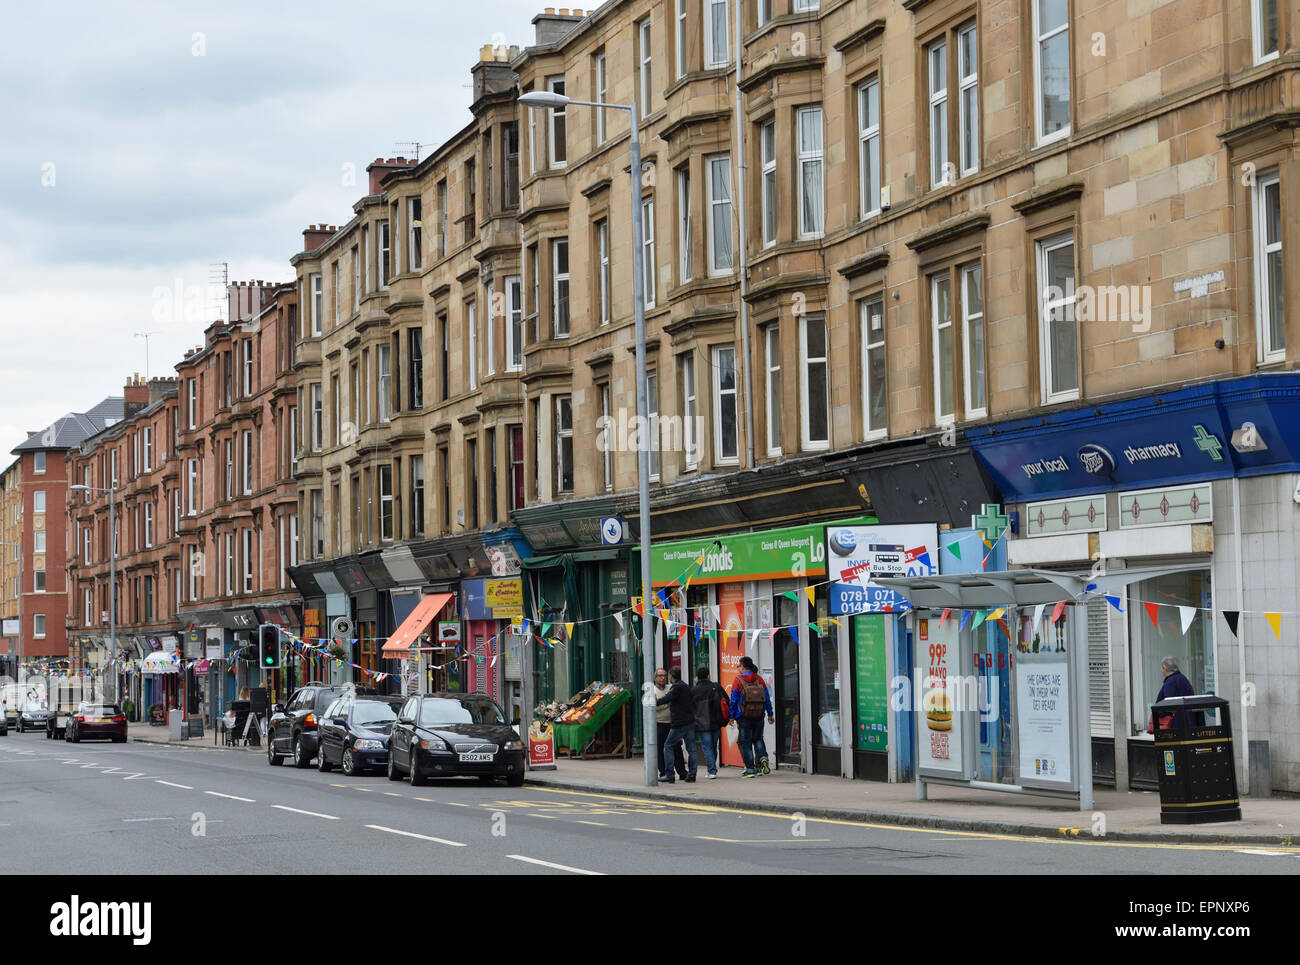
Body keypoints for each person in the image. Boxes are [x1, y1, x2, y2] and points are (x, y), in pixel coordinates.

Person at [729, 656, 774, 777]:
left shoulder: (738, 680)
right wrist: (770, 714)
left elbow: (733, 700)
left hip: (743, 716)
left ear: (743, 667)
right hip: (759, 715)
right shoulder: (759, 679)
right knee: (758, 739)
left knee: (746, 742)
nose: (738, 668)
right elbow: (766, 698)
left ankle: (750, 769)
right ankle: (763, 759)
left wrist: (731, 716)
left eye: (739, 666)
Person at [656, 666, 698, 783]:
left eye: (667, 675)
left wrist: (655, 702)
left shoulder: (677, 687)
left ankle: (669, 774)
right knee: (692, 749)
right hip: (689, 721)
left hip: (679, 723)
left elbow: (667, 698)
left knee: (668, 746)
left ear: (671, 677)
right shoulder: (685, 686)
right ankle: (692, 774)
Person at [691, 666, 727, 779]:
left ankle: (711, 771)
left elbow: (690, 707)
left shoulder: (693, 690)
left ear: (697, 677)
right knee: (713, 746)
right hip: (716, 721)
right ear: (708, 676)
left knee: (707, 747)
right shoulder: (716, 687)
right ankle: (712, 769)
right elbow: (726, 700)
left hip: (702, 723)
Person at [1151, 656, 1204, 730]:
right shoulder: (1183, 678)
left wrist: (1160, 713)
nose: (1161, 670)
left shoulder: (1170, 682)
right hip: (1189, 720)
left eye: (1161, 668)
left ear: (1165, 668)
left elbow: (1169, 704)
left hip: (1177, 724)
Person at [653, 669, 687, 782]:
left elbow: (675, 702)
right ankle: (664, 772)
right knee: (662, 749)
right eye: (660, 676)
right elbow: (654, 707)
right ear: (655, 678)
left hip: (672, 723)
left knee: (677, 748)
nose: (663, 678)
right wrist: (668, 702)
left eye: (664, 675)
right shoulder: (652, 690)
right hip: (660, 723)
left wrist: (663, 702)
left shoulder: (671, 688)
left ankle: (682, 772)